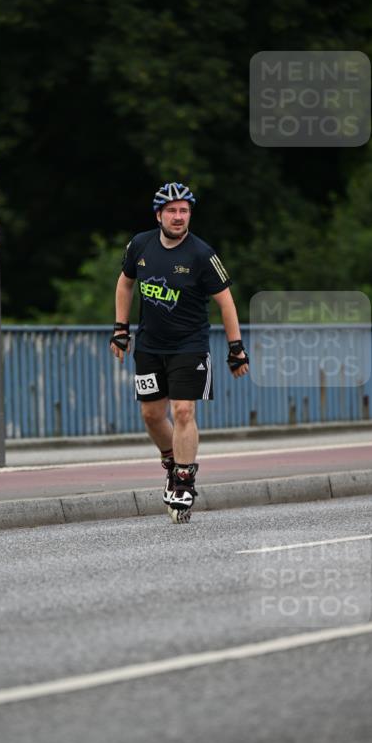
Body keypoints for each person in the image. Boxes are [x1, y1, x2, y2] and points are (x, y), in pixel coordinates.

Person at [110, 181, 249, 522]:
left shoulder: (202, 254)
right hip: (149, 345)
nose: (178, 216)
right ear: (159, 215)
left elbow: (226, 301)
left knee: (183, 411)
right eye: (171, 210)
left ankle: (184, 479)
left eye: (184, 211)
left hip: (190, 345)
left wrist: (236, 348)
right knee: (152, 416)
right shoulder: (140, 245)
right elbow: (126, 282)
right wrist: (120, 329)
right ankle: (172, 461)